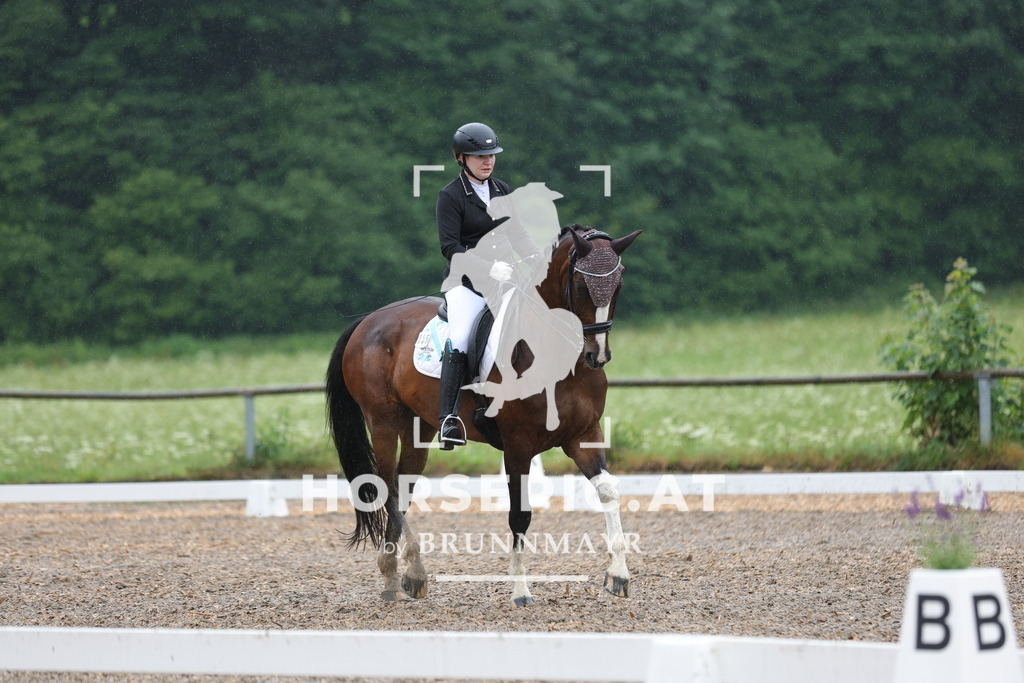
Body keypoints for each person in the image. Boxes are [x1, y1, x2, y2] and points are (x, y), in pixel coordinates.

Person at [435, 122, 515, 450]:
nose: (488, 161)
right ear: (461, 158)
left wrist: (540, 259)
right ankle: (449, 418)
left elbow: (518, 234)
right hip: (466, 284)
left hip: (504, 282)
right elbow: (450, 247)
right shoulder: (451, 196)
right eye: (480, 156)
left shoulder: (502, 190)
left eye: (491, 155)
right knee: (460, 338)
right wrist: (487, 267)